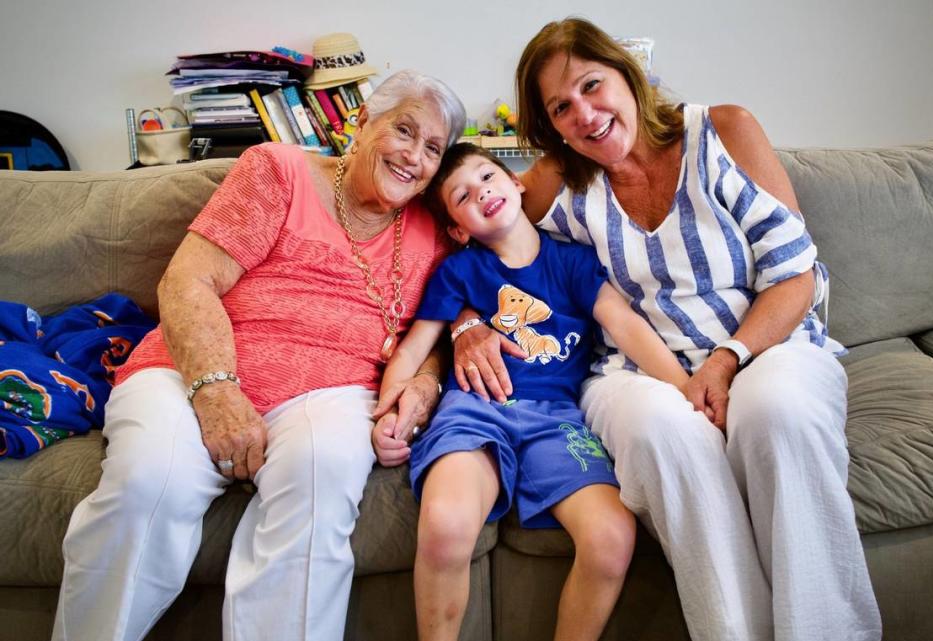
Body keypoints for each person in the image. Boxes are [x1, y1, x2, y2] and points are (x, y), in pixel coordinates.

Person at [451, 18, 882, 641]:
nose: (586, 114)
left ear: (627, 74)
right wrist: (466, 322)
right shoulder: (557, 179)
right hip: (635, 372)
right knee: (662, 432)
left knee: (778, 414)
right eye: (561, 108)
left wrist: (727, 359)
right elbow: (464, 242)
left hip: (763, 348)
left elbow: (798, 275)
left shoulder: (723, 130)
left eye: (592, 85)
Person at [52, 70, 466, 641]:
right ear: (363, 121)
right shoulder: (279, 170)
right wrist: (216, 389)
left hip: (333, 389)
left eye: (433, 149)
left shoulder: (439, 227)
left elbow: (440, 334)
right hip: (193, 372)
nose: (413, 156)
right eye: (404, 130)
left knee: (324, 474)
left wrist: (424, 386)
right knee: (148, 481)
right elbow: (188, 282)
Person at [370, 142, 689, 641]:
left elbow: (624, 325)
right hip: (474, 411)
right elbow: (413, 350)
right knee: (447, 523)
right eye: (462, 195)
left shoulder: (574, 262)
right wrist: (390, 414)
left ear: (517, 182)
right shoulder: (459, 271)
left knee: (611, 537)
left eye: (487, 177)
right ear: (458, 229)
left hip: (558, 420)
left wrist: (688, 390)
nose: (482, 192)